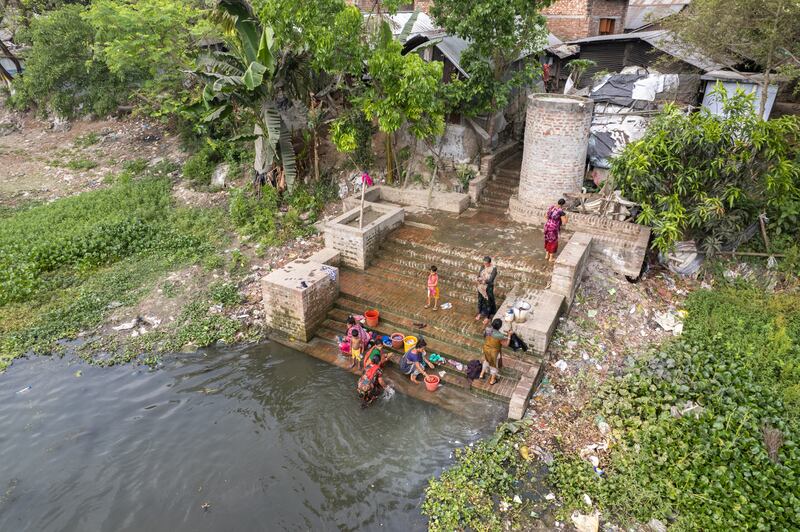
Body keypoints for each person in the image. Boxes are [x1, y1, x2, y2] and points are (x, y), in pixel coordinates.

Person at [480, 318, 510, 385]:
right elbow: (506, 344)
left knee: (486, 361)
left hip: (486, 349)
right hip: (494, 352)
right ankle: (492, 380)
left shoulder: (488, 330)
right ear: (500, 326)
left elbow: (483, 333)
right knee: (493, 366)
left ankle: (481, 374)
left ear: (493, 324)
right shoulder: (500, 335)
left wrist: (485, 324)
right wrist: (509, 335)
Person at [475, 256, 497, 325]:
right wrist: (478, 279)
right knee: (480, 300)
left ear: (489, 263)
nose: (485, 265)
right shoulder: (483, 266)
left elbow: (491, 280)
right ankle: (480, 313)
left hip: (488, 287)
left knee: (488, 302)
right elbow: (479, 275)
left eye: (486, 264)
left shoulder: (494, 269)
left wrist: (485, 281)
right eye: (484, 263)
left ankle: (487, 317)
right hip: (481, 287)